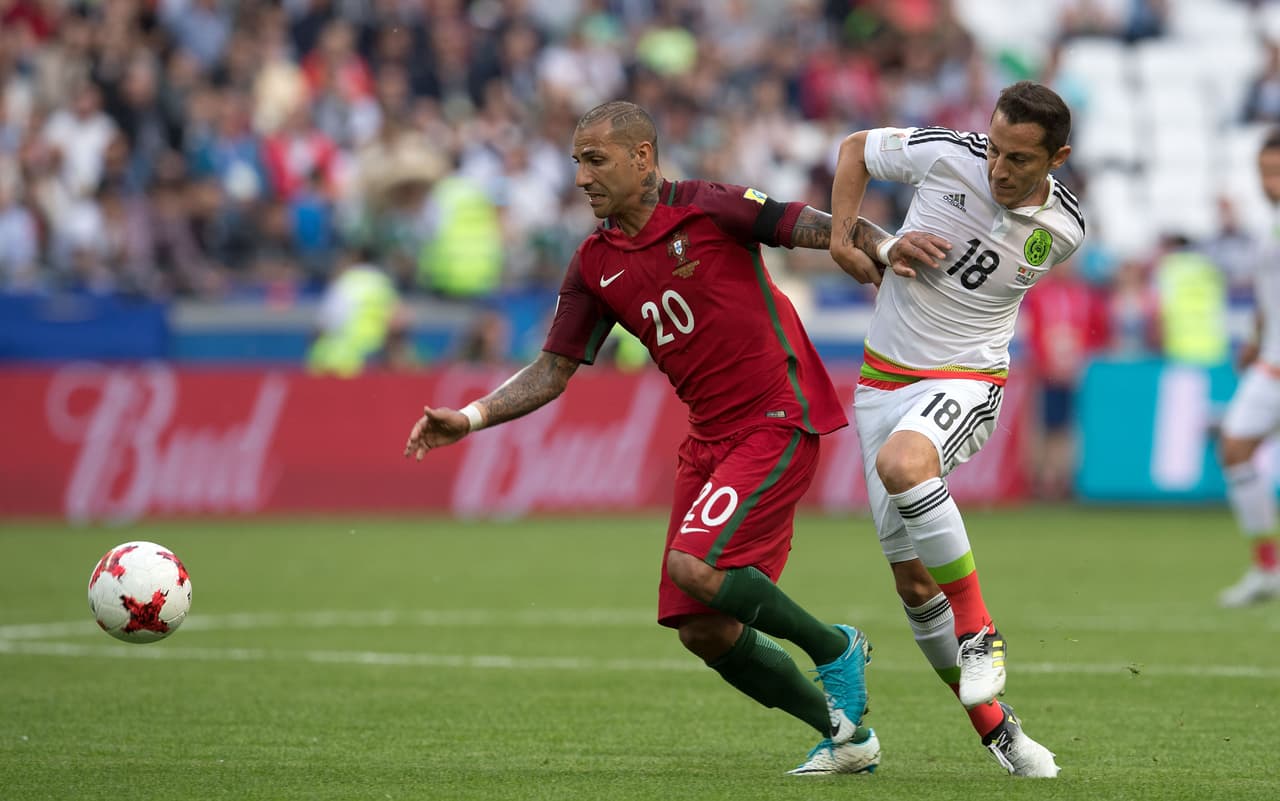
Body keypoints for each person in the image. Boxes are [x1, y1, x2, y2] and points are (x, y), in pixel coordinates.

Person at [403, 101, 930, 775]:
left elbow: (806, 223)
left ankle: (835, 648)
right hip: (709, 439)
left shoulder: (709, 207)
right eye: (576, 163)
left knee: (695, 567)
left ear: (642, 157)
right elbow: (553, 369)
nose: (582, 178)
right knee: (701, 625)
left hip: (776, 416)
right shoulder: (594, 263)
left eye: (596, 161)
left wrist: (878, 245)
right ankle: (846, 737)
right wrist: (470, 417)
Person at [828, 81, 1085, 777]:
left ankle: (979, 632)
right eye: (997, 149)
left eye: (1021, 160)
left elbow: (971, 281)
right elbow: (854, 150)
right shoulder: (947, 154)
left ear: (1057, 158)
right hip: (881, 383)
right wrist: (856, 239)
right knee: (913, 584)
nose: (1000, 168)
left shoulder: (1062, 232)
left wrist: (888, 246)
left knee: (908, 464)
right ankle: (1002, 734)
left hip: (965, 380)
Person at [1216, 127, 1280, 608]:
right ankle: (1267, 568)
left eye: (1276, 171)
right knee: (1235, 446)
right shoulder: (1271, 225)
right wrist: (1257, 338)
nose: (1269, 181)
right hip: (1271, 365)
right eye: (1263, 171)